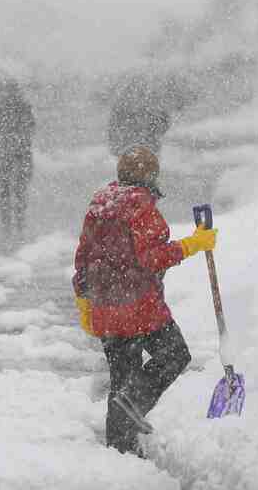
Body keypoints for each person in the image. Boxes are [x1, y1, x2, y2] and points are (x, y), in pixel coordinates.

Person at [72, 146, 217, 455]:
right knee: (175, 355)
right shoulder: (141, 207)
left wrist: (84, 300)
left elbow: (82, 258)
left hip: (104, 309)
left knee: (121, 378)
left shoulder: (99, 207)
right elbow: (151, 258)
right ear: (151, 176)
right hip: (138, 308)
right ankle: (135, 401)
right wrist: (193, 244)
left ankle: (120, 451)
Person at [0, 82, 35, 235]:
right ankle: (19, 223)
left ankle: (7, 225)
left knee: (6, 190)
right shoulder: (23, 105)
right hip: (20, 151)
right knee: (19, 190)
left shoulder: (1, 106)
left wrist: (3, 142)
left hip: (5, 152)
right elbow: (31, 127)